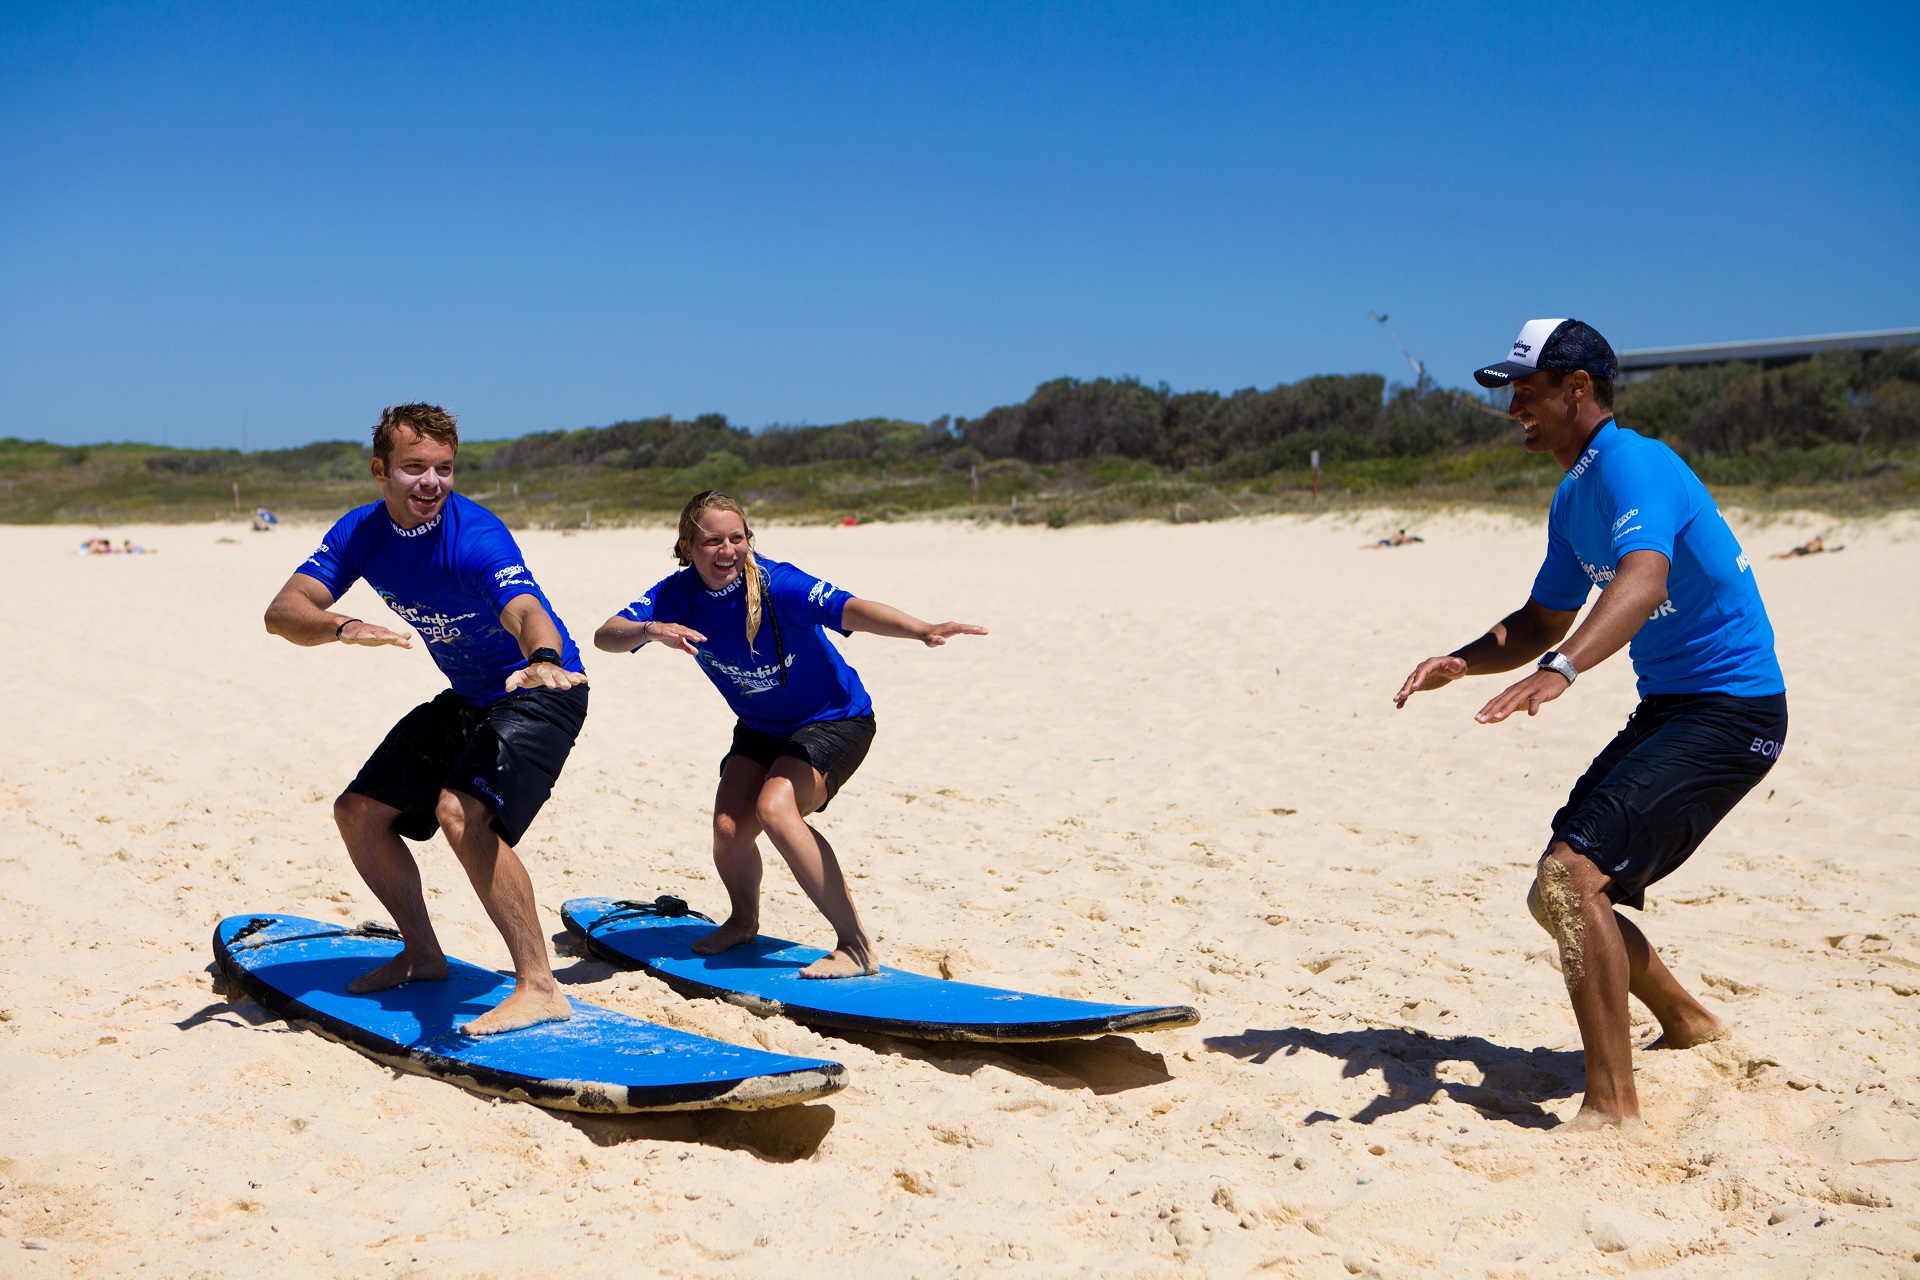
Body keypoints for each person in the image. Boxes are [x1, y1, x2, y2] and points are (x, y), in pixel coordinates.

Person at [1393, 319, 1787, 1130]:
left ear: (1578, 389)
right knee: (1560, 891)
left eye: (1525, 393)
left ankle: (1613, 1112)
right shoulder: (1575, 495)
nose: (1514, 412)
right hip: (1677, 707)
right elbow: (1542, 617)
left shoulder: (1634, 463)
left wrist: (1563, 670)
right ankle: (1687, 1021)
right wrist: (1464, 661)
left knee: (1571, 879)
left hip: (1733, 708)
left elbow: (1642, 582)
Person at [264, 403, 590, 1035]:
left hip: (542, 688)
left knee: (460, 812)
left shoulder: (475, 536)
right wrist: (343, 626)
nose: (431, 483)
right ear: (380, 471)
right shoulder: (362, 532)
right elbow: (283, 611)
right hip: (472, 696)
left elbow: (523, 608)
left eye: (443, 469)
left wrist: (544, 657)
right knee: (358, 812)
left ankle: (540, 986)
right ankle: (422, 954)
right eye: (414, 468)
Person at [594, 491, 987, 979]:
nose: (726, 550)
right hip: (761, 727)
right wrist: (652, 631)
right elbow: (607, 634)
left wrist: (921, 629)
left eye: (736, 538)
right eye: (712, 540)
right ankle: (743, 921)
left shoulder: (780, 585)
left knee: (775, 809)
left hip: (836, 718)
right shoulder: (677, 596)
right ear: (687, 547)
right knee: (729, 830)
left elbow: (852, 609)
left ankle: (856, 946)